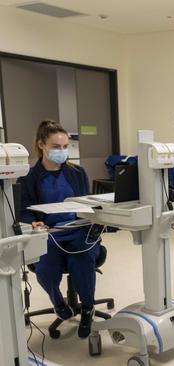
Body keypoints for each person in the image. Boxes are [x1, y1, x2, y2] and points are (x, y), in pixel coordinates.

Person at [19, 120, 101, 338]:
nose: (62, 152)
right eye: (56, 147)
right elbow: (24, 209)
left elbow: (87, 204)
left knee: (81, 258)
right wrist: (33, 222)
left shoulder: (78, 173)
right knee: (45, 266)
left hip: (78, 230)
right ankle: (58, 302)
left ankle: (87, 308)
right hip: (49, 234)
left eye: (66, 147)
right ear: (41, 145)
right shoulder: (28, 177)